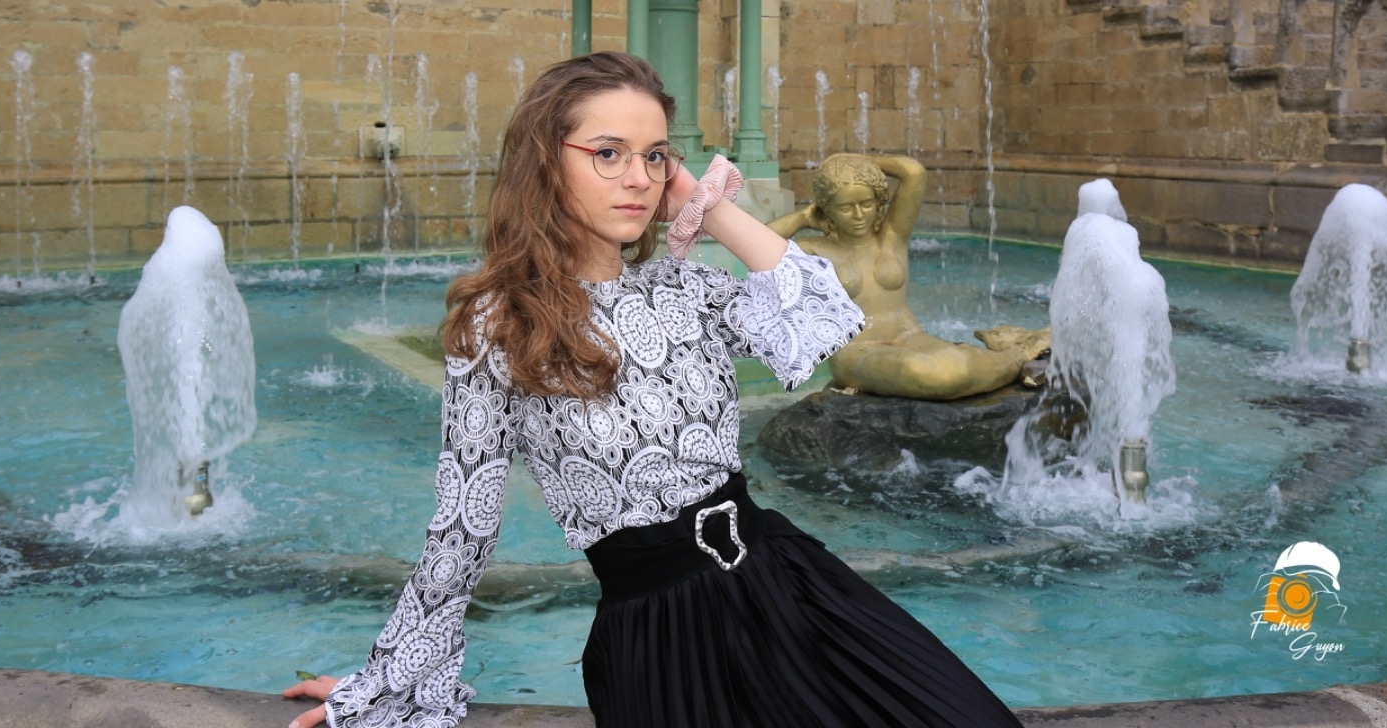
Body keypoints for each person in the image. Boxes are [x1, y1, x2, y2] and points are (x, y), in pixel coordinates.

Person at [283, 52, 1025, 728]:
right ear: (545, 162)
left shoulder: (686, 288)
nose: (638, 178)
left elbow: (828, 316)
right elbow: (463, 524)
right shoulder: (499, 324)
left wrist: (707, 206)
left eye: (655, 156)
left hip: (787, 585)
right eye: (608, 153)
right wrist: (391, 682)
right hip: (665, 640)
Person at [768, 152, 1048, 400]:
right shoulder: (813, 250)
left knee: (954, 360)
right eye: (845, 207)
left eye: (866, 204)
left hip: (910, 336)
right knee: (931, 372)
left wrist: (858, 163)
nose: (859, 214)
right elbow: (754, 246)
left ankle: (1006, 354)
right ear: (826, 209)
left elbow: (913, 172)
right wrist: (804, 217)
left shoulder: (891, 237)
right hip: (858, 351)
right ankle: (1019, 356)